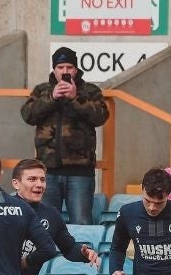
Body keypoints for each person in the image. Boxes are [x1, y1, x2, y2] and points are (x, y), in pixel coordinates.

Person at [20, 47, 109, 225]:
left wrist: (75, 98)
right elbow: (27, 115)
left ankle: (81, 253)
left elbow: (101, 116)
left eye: (69, 67)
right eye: (60, 67)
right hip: (47, 171)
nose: (65, 71)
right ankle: (46, 254)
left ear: (76, 70)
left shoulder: (90, 91)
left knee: (81, 223)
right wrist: (52, 98)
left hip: (80, 172)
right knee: (45, 223)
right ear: (54, 69)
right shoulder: (42, 90)